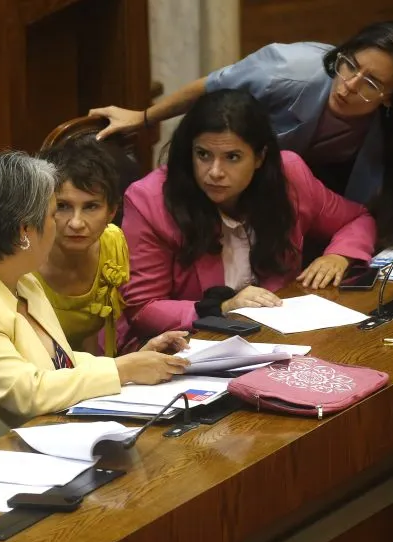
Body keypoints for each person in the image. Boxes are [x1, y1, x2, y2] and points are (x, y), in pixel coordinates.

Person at [0, 151, 189, 440]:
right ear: (24, 231)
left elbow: (58, 363)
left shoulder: (21, 277)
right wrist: (121, 370)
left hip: (44, 436)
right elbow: (26, 392)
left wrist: (138, 361)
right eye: (54, 213)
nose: (64, 225)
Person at [90, 21, 393, 238]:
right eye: (350, 65)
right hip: (248, 182)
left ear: (391, 98)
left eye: (371, 83)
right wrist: (145, 117)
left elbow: (367, 207)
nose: (349, 85)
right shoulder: (285, 70)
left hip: (310, 196)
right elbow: (211, 87)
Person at [118, 89, 376, 348]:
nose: (215, 172)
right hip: (188, 345)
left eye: (232, 157)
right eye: (203, 154)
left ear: (259, 157)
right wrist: (222, 307)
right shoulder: (150, 200)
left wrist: (338, 256)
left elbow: (356, 219)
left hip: (279, 336)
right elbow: (143, 310)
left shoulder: (289, 177)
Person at [35, 138, 129, 356]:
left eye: (91, 206)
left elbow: (92, 338)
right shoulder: (21, 260)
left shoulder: (113, 243)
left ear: (111, 212)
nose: (76, 223)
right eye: (62, 206)